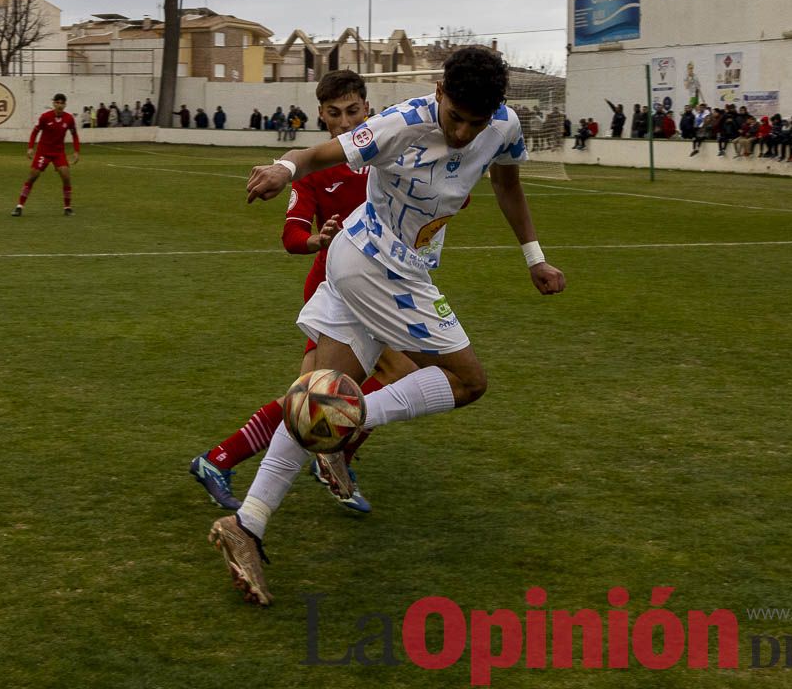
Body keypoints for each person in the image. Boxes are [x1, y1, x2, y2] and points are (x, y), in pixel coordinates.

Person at [208, 46, 565, 606]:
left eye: (478, 121)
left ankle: (246, 524)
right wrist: (282, 168)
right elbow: (319, 152)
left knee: (313, 396)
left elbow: (508, 185)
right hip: (380, 265)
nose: (466, 132)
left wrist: (534, 256)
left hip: (374, 262)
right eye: (456, 117)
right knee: (468, 381)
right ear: (440, 93)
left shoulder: (504, 124)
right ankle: (348, 418)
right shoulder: (401, 122)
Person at [190, 70, 423, 514]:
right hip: (334, 286)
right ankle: (334, 455)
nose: (344, 122)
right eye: (334, 114)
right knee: (395, 374)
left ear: (367, 109)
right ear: (320, 115)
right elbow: (293, 234)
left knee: (310, 395)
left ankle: (220, 459)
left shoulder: (386, 153)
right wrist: (319, 239)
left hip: (380, 283)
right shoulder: (315, 166)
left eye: (352, 111)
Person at [12, 93, 81, 217]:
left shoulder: (69, 119)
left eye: (62, 103)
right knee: (33, 176)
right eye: (57, 102)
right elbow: (35, 132)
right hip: (43, 152)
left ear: (65, 105)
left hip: (58, 153)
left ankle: (67, 207)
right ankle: (19, 206)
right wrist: (30, 148)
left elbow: (74, 134)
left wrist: (76, 151)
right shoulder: (45, 117)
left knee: (66, 176)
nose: (59, 105)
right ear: (53, 103)